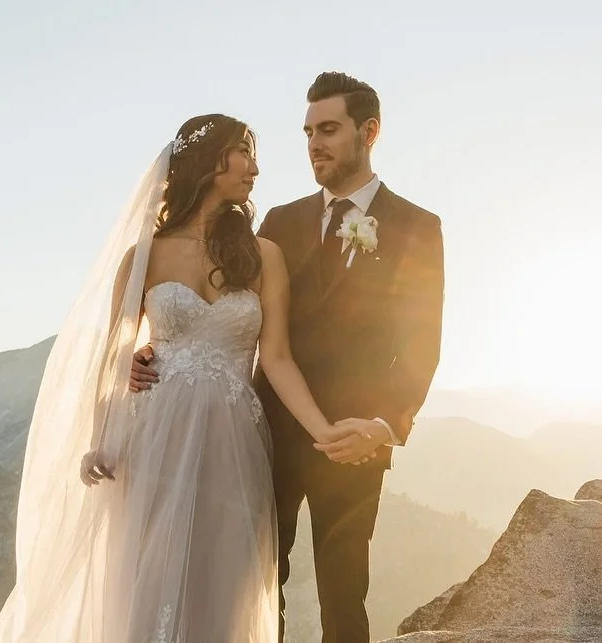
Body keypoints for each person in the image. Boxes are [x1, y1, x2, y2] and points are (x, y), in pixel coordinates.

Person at [0, 113, 371, 643]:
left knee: (225, 584)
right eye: (244, 152)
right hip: (154, 437)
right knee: (147, 578)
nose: (256, 168)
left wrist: (322, 429)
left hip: (233, 444)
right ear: (209, 160)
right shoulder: (143, 256)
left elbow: (278, 358)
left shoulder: (263, 256)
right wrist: (101, 436)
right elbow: (111, 357)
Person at [131, 73, 445, 642]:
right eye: (307, 132)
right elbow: (230, 312)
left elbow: (422, 347)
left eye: (328, 130)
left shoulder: (417, 228)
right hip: (261, 435)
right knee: (250, 584)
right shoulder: (277, 223)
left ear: (369, 132)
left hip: (354, 441)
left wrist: (382, 426)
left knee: (344, 595)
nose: (313, 144)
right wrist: (159, 349)